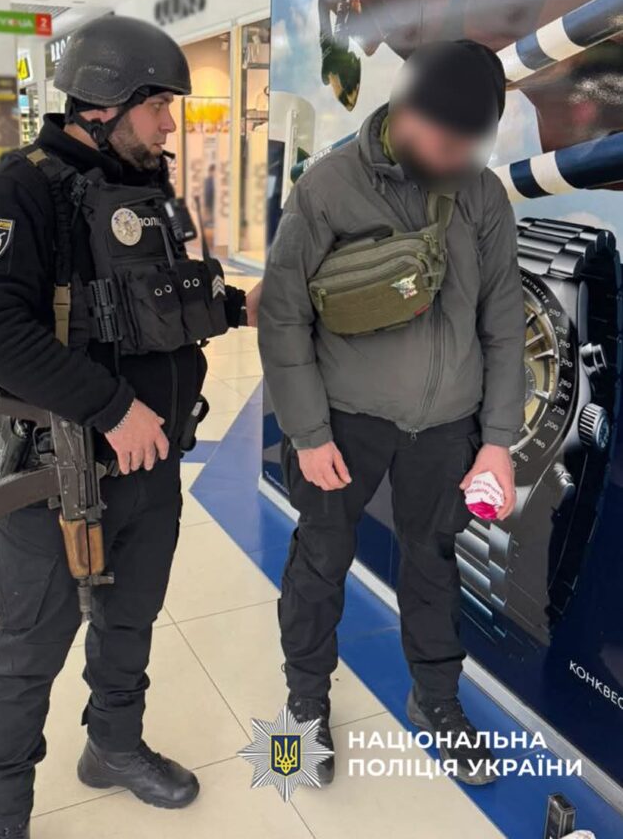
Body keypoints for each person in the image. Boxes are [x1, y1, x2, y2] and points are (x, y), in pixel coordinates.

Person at [0, 14, 249, 839]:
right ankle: (1, 813)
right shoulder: (19, 192)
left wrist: (234, 306)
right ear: (102, 104)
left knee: (131, 619)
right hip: (60, 472)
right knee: (28, 648)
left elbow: (157, 305)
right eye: (158, 107)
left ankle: (113, 747)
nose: (169, 125)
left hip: (151, 466)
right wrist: (112, 408)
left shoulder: (144, 187)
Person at [258, 39, 525, 786]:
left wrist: (496, 442)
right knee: (320, 559)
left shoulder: (481, 197)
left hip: (446, 427)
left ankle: (435, 699)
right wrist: (307, 434)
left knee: (433, 561)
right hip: (344, 421)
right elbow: (282, 316)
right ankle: (305, 704)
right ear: (407, 112)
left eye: (469, 144)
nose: (454, 157)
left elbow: (504, 325)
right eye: (444, 140)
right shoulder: (328, 187)